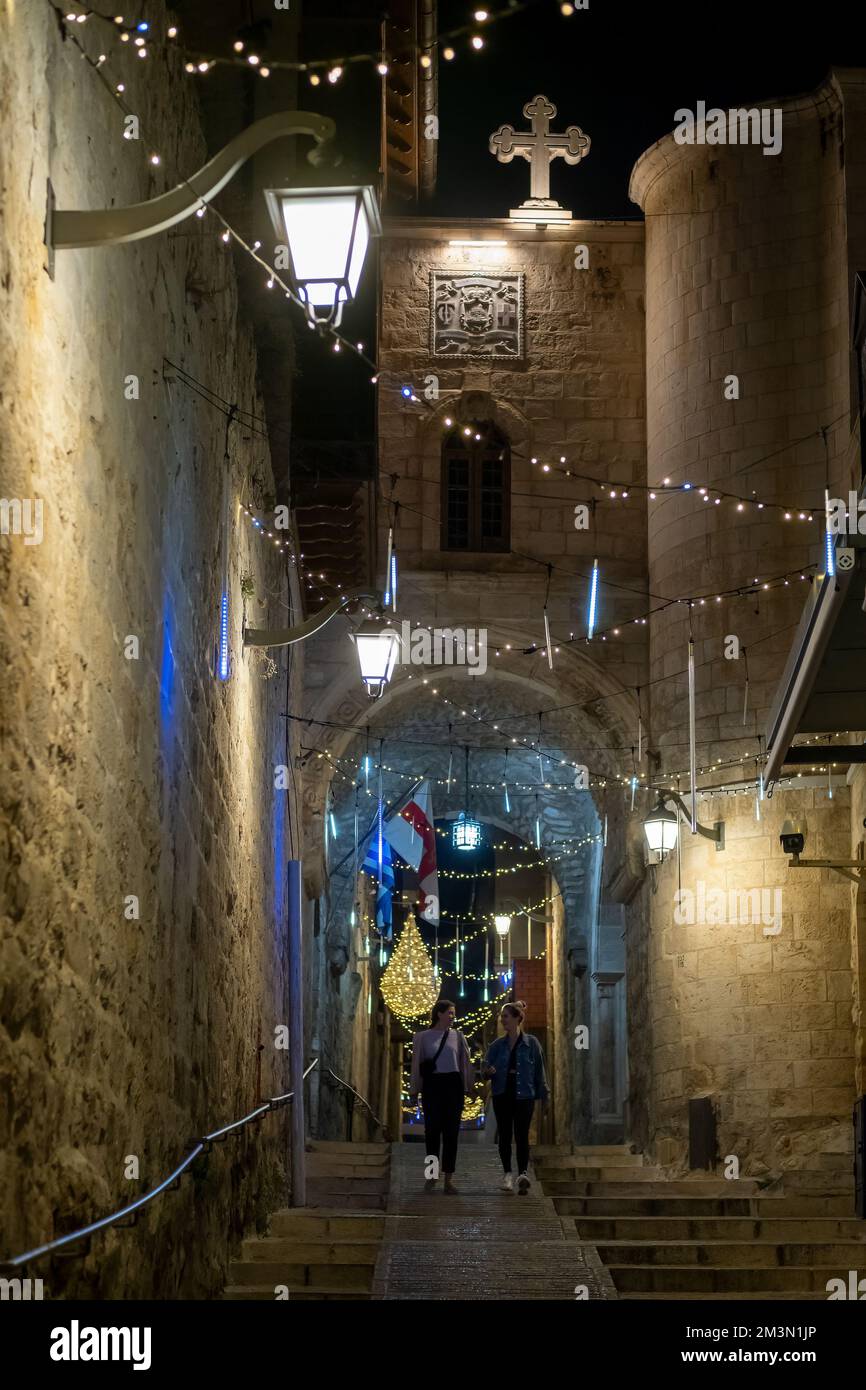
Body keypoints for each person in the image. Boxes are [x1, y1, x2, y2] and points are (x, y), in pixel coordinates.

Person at [483, 1001, 549, 1195]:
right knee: (504, 1135)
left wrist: (545, 1095)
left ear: (517, 1018)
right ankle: (507, 1174)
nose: (502, 1020)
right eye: (502, 1016)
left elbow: (539, 1071)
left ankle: (523, 1174)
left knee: (521, 1135)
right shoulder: (496, 1046)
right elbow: (484, 1069)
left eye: (506, 1016)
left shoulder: (532, 1044)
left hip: (524, 1096)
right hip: (502, 1094)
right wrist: (488, 1071)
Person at [410, 999, 474, 1194]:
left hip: (452, 1085)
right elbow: (416, 1066)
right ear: (439, 1014)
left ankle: (448, 1179)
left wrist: (468, 1087)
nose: (453, 1017)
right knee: (431, 1133)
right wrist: (414, 1091)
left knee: (451, 1134)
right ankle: (431, 1176)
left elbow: (465, 1063)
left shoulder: (458, 1036)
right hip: (433, 1085)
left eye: (454, 1014)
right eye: (450, 1013)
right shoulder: (422, 1037)